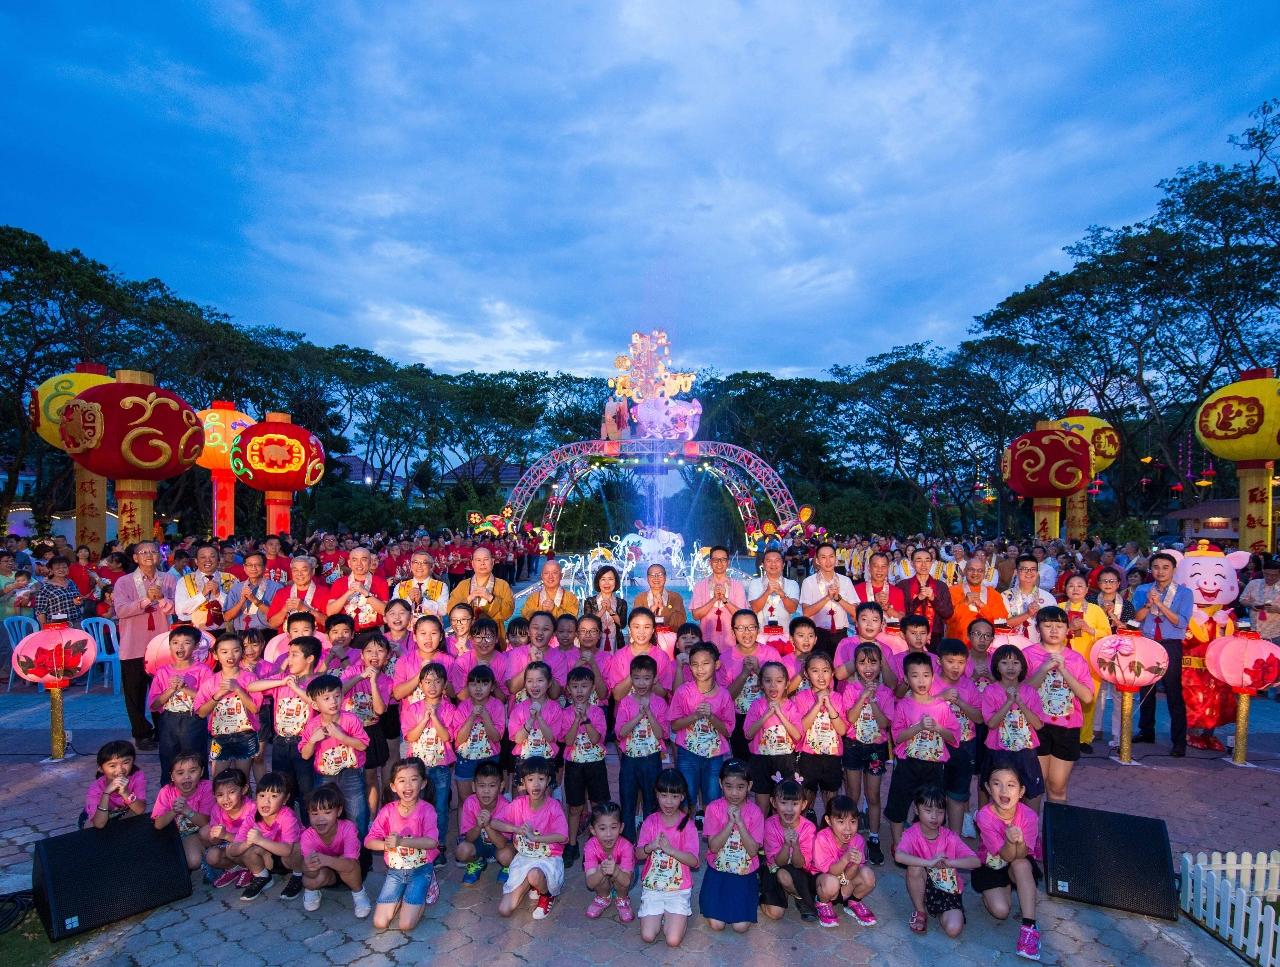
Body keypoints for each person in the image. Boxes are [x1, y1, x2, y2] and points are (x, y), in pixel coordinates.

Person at [887, 652, 958, 855]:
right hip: (908, 764)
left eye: (926, 675)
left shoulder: (941, 707)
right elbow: (897, 737)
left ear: (933, 677)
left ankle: (925, 844)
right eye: (915, 676)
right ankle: (898, 845)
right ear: (907, 680)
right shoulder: (903, 705)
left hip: (934, 765)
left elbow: (953, 736)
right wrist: (917, 727)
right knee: (898, 803)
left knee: (930, 805)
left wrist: (938, 728)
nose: (921, 680)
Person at [973, 765, 1043, 961]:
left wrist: (1018, 841)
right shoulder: (984, 816)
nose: (1004, 791)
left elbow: (1019, 856)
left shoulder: (1029, 816)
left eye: (1011, 785)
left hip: (1016, 861)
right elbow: (1004, 855)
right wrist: (1010, 840)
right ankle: (1001, 889)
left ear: (1021, 792)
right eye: (997, 784)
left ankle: (1029, 927)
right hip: (992, 863)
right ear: (988, 788)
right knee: (1001, 912)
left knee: (1022, 865)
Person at [1024, 607, 1094, 801]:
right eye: (1047, 626)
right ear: (1038, 628)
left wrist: (1064, 671)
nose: (1054, 631)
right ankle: (1031, 830)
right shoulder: (1028, 655)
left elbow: (1087, 697)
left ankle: (1056, 829)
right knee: (1034, 784)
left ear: (1067, 629)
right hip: (1036, 726)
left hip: (1067, 728)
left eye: (1059, 626)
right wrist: (1044, 668)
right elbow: (1022, 692)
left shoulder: (1076, 659)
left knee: (1057, 786)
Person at [895, 784, 979, 938]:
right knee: (914, 867)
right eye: (928, 811)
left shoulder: (950, 837)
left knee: (953, 929)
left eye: (940, 812)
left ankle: (940, 911)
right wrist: (928, 862)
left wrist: (950, 862)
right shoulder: (911, 834)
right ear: (916, 810)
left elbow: (975, 861)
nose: (934, 816)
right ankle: (920, 910)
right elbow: (899, 856)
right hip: (923, 881)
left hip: (947, 887)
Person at [365, 758, 440, 929]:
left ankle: (426, 885)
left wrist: (401, 841)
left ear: (423, 783)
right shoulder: (387, 811)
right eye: (402, 780)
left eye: (414, 779)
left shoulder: (427, 810)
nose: (408, 786)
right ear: (393, 786)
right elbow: (369, 841)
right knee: (379, 922)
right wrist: (386, 845)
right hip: (395, 872)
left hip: (420, 870)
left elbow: (432, 842)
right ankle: (402, 895)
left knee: (406, 925)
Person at [492, 755, 568, 921]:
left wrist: (534, 837)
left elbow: (563, 836)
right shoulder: (519, 804)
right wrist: (515, 829)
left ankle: (547, 894)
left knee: (535, 874)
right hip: (524, 858)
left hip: (548, 859)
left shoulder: (554, 807)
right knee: (505, 910)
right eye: (530, 779)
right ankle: (534, 884)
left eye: (541, 779)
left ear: (548, 781)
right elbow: (494, 822)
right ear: (523, 783)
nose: (536, 784)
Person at [636, 768, 701, 948]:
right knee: (648, 936)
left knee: (672, 940)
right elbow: (638, 854)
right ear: (656, 795)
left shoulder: (687, 825)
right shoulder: (650, 821)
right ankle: (664, 916)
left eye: (674, 796)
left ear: (682, 797)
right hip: (654, 887)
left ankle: (677, 917)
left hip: (678, 889)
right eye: (664, 795)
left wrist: (670, 850)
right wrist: (650, 846)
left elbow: (694, 861)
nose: (669, 801)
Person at [841, 642, 893, 866]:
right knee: (853, 793)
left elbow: (884, 724)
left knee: (872, 795)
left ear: (880, 664)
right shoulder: (850, 689)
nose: (868, 667)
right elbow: (850, 718)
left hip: (876, 748)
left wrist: (872, 701)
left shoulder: (885, 692)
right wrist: (862, 697)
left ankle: (873, 836)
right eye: (862, 662)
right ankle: (849, 836)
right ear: (855, 665)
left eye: (873, 662)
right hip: (853, 745)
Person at [668, 642, 733, 820]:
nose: (700, 669)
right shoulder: (683, 692)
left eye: (705, 663)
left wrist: (711, 717)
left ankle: (712, 838)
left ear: (716, 665)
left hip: (714, 756)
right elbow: (674, 725)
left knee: (712, 799)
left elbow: (728, 731)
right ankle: (685, 835)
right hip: (687, 754)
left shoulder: (724, 695)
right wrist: (695, 716)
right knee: (686, 797)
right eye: (695, 664)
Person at [700, 759, 765, 933]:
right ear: (720, 784)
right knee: (717, 925)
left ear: (749, 786)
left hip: (745, 871)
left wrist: (741, 823)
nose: (734, 793)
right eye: (728, 786)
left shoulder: (755, 812)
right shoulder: (713, 809)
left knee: (741, 927)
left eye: (740, 787)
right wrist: (729, 823)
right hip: (718, 870)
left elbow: (753, 851)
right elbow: (713, 847)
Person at [301, 673, 371, 836]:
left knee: (357, 813)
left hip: (351, 773)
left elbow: (363, 745)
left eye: (337, 696)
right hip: (324, 776)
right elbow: (305, 755)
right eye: (326, 698)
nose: (333, 701)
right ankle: (329, 848)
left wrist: (342, 737)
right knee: (325, 813)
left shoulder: (350, 719)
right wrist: (312, 741)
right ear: (315, 704)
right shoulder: (312, 726)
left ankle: (360, 854)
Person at [400, 662, 456, 864]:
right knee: (417, 804)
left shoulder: (449, 709)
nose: (432, 686)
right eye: (427, 681)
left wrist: (436, 718)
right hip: (417, 767)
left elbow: (447, 736)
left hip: (440, 766)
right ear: (420, 685)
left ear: (444, 685)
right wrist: (425, 719)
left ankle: (439, 845)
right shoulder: (412, 709)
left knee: (440, 806)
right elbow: (410, 737)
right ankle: (418, 843)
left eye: (437, 681)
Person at [980, 644, 1046, 806]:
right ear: (996, 666)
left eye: (1016, 663)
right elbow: (992, 723)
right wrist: (1009, 701)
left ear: (1022, 667)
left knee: (1030, 792)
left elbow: (1038, 725)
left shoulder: (1030, 692)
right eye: (1005, 663)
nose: (1011, 667)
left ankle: (1029, 828)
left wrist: (1020, 703)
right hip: (998, 751)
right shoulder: (991, 691)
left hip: (1025, 751)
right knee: (997, 793)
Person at [616, 654, 670, 843]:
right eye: (637, 678)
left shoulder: (659, 703)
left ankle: (649, 841)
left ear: (655, 679)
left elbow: (662, 734)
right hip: (630, 759)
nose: (641, 683)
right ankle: (628, 841)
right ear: (631, 677)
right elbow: (621, 732)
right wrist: (639, 716)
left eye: (646, 678)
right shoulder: (626, 702)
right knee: (628, 800)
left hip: (652, 759)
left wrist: (649, 713)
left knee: (651, 801)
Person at [147, 625, 212, 781]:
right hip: (169, 721)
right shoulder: (162, 672)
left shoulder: (203, 670)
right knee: (169, 760)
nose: (180, 647)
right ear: (169, 646)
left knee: (195, 759)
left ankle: (200, 796)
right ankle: (169, 796)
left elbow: (209, 701)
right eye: (175, 642)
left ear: (196, 646)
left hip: (194, 720)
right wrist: (170, 689)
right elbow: (154, 705)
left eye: (186, 642)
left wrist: (184, 688)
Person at [227, 771, 304, 901]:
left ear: (285, 799)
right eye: (262, 795)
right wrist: (248, 843)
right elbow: (233, 849)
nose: (266, 801)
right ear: (256, 797)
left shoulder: (287, 816)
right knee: (242, 848)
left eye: (274, 796)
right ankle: (262, 877)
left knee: (297, 847)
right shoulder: (252, 817)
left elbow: (286, 850)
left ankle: (298, 875)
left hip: (290, 858)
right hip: (270, 859)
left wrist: (260, 840)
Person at [719, 610, 784, 759]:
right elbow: (725, 699)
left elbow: (780, 690)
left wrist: (759, 670)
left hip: (768, 716)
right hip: (739, 719)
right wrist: (743, 674)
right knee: (744, 766)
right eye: (740, 628)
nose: (746, 633)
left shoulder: (771, 654)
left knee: (768, 765)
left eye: (751, 627)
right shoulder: (725, 658)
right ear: (733, 631)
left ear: (758, 629)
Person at [300, 783, 371, 916]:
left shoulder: (348, 828)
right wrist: (307, 866)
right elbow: (307, 875)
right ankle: (312, 890)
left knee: (348, 863)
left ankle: (359, 893)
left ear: (338, 811)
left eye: (327, 812)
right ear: (308, 813)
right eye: (314, 813)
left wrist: (326, 860)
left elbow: (351, 863)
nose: (320, 818)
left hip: (351, 869)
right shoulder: (307, 836)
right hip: (327, 872)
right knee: (310, 880)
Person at [562, 665, 609, 867]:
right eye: (575, 686)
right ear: (568, 690)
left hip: (595, 764)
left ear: (592, 688)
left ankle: (596, 845)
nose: (579, 691)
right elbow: (569, 740)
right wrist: (576, 720)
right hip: (574, 764)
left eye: (584, 686)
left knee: (598, 805)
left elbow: (597, 738)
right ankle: (572, 845)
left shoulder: (597, 712)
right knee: (575, 807)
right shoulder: (565, 713)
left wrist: (586, 720)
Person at [195, 633, 261, 778]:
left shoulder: (250, 678)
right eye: (224, 652)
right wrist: (217, 696)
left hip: (245, 735)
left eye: (235, 650)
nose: (230, 655)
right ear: (216, 655)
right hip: (220, 737)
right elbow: (200, 712)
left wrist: (238, 689)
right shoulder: (211, 682)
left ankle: (245, 800)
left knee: (242, 779)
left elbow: (255, 708)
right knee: (218, 779)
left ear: (242, 652)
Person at [935, 638, 983, 833]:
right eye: (950, 661)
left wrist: (961, 702)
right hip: (936, 747)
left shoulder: (969, 686)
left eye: (961, 663)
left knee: (956, 794)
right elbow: (918, 706)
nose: (956, 667)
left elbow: (979, 718)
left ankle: (953, 840)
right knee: (935, 795)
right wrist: (940, 698)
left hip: (963, 746)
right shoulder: (931, 682)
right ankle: (934, 839)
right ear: (939, 661)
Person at [810, 794, 878, 928]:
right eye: (841, 822)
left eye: (853, 822)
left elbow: (850, 875)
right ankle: (822, 903)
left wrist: (856, 864)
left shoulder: (858, 840)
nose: (848, 828)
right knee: (831, 882)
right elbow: (831, 871)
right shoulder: (822, 838)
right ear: (828, 821)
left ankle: (853, 901)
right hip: (825, 880)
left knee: (868, 875)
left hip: (844, 879)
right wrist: (846, 859)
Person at [1061, 574, 1111, 752]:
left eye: (1080, 586)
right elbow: (1047, 631)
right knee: (1062, 699)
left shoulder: (1095, 610)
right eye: (1071, 585)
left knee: (1088, 701)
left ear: (1086, 589)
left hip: (1088, 661)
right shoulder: (1058, 608)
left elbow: (1107, 635)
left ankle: (1084, 738)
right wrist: (1068, 629)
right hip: (1062, 662)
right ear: (1065, 589)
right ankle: (1063, 734)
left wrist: (1088, 629)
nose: (1075, 589)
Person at [743, 661, 801, 815]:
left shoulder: (791, 706)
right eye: (768, 681)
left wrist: (780, 714)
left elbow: (797, 736)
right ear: (761, 684)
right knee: (762, 805)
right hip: (761, 760)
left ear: (787, 684)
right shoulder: (757, 705)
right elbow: (748, 734)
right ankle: (761, 838)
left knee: (783, 804)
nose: (773, 686)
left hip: (785, 760)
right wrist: (766, 715)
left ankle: (780, 837)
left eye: (779, 681)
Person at [792, 653, 848, 813]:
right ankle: (804, 827)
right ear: (806, 674)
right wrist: (817, 704)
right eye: (815, 671)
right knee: (805, 796)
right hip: (808, 755)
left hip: (832, 756)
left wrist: (829, 705)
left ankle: (829, 829)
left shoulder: (837, 698)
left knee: (831, 798)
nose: (821, 676)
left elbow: (842, 730)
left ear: (832, 673)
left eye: (825, 670)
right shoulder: (801, 698)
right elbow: (800, 728)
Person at [759, 778, 819, 922]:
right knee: (775, 914)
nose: (789, 809)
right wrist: (786, 845)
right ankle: (766, 893)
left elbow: (799, 865)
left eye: (795, 804)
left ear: (804, 804)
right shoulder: (769, 825)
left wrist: (796, 845)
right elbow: (778, 863)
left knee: (785, 876)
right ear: (773, 803)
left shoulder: (808, 828)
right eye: (783, 803)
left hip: (799, 870)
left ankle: (800, 898)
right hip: (775, 867)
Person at [151, 752, 214, 874]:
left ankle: (210, 852)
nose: (187, 776)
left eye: (192, 771)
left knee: (204, 837)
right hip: (177, 835)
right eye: (180, 773)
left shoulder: (207, 787)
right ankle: (195, 852)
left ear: (201, 772)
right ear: (172, 777)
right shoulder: (166, 792)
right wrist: (174, 810)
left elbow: (204, 822)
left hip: (199, 833)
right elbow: (158, 825)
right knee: (190, 862)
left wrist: (186, 810)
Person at [451, 665, 506, 806]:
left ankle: (490, 827)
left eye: (484, 684)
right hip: (466, 759)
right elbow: (459, 739)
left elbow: (496, 737)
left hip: (490, 758)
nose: (478, 689)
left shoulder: (497, 706)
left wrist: (485, 717)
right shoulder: (463, 707)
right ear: (467, 687)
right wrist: (471, 717)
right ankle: (466, 828)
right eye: (474, 684)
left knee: (491, 800)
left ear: (492, 687)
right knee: (465, 800)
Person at [456, 761, 514, 886]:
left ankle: (508, 867)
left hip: (499, 846)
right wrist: (478, 826)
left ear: (501, 786)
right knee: (462, 851)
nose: (486, 791)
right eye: (481, 786)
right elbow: (468, 838)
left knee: (507, 856)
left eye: (492, 786)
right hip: (478, 843)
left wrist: (488, 825)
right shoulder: (470, 804)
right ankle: (477, 862)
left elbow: (502, 843)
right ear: (473, 786)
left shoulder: (507, 807)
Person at [799, 543, 859, 657]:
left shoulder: (845, 581)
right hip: (818, 634)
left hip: (840, 634)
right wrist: (827, 598)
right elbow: (806, 613)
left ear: (836, 559)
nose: (828, 561)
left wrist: (838, 598)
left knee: (840, 671)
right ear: (817, 560)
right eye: (823, 557)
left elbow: (855, 612)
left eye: (831, 556)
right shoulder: (809, 582)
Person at [583, 802, 636, 922]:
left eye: (613, 827)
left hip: (624, 876)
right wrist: (601, 871)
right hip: (602, 876)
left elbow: (627, 881)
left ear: (621, 828)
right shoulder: (590, 847)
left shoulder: (626, 846)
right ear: (593, 830)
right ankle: (603, 897)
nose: (608, 834)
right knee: (597, 871)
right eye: (602, 828)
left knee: (622, 876)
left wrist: (616, 871)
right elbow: (590, 884)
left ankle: (622, 898)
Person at [447, 547, 515, 639]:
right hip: (467, 637)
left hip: (494, 637)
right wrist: (469, 598)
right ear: (472, 564)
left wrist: (491, 598)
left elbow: (508, 612)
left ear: (493, 561)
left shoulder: (503, 585)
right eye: (478, 560)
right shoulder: (463, 585)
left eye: (486, 559)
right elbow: (450, 610)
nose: (482, 563)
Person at [203, 767, 253, 888]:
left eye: (231, 792)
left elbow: (251, 840)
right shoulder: (217, 810)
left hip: (250, 847)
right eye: (220, 794)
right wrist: (215, 836)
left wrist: (226, 835)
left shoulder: (252, 808)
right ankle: (234, 869)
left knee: (235, 849)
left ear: (244, 789)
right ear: (214, 795)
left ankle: (252, 870)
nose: (225, 799)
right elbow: (215, 841)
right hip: (230, 847)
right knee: (212, 856)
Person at [690, 546, 748, 650]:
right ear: (709, 562)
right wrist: (714, 599)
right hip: (706, 642)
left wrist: (725, 600)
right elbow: (695, 615)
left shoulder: (737, 586)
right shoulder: (700, 586)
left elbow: (742, 616)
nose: (719, 563)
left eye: (723, 559)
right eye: (715, 560)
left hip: (732, 641)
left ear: (728, 562)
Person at [898, 547, 953, 648]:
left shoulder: (941, 586)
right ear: (912, 563)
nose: (924, 564)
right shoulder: (903, 585)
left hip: (935, 637)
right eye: (919, 560)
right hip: (909, 636)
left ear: (932, 563)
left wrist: (933, 598)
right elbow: (901, 614)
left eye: (927, 560)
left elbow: (948, 613)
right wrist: (918, 599)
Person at [84, 740, 147, 829]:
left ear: (133, 761)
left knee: (135, 816)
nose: (120, 770)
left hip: (123, 813)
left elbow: (140, 810)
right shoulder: (95, 788)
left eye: (126, 762)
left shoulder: (137, 776)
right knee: (90, 829)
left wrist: (125, 792)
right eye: (112, 766)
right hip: (99, 817)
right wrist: (106, 793)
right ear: (101, 769)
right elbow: (99, 824)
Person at [174, 542, 236, 633]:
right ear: (196, 561)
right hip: (195, 631)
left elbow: (236, 607)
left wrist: (219, 594)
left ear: (218, 560)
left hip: (225, 630)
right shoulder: (184, 581)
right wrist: (202, 594)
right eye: (203, 557)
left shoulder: (231, 579)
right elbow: (180, 610)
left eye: (212, 556)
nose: (208, 560)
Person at [327, 547, 390, 633]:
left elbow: (385, 611)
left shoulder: (380, 582)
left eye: (363, 560)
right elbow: (330, 612)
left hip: (372, 632)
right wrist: (348, 593)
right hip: (346, 634)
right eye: (354, 560)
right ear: (349, 563)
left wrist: (365, 592)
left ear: (370, 562)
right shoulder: (339, 582)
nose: (359, 564)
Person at [946, 558, 1009, 641]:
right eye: (971, 569)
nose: (975, 573)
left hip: (985, 646)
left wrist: (982, 606)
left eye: (980, 570)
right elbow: (947, 620)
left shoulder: (994, 594)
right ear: (964, 571)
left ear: (985, 573)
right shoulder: (952, 591)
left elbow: (1001, 622)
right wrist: (965, 603)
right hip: (958, 646)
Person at [224, 551, 282, 633]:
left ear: (265, 567)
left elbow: (278, 616)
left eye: (258, 565)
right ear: (244, 567)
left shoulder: (276, 588)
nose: (253, 568)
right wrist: (241, 602)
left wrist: (255, 600)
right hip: (241, 633)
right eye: (250, 565)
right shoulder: (236, 588)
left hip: (267, 632)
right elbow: (227, 617)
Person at [1002, 555, 1056, 643]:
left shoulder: (1048, 597)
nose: (1029, 572)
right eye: (1024, 569)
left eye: (1033, 569)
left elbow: (1055, 625)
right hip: (1012, 646)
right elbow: (1001, 624)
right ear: (1016, 572)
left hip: (1039, 647)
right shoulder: (1005, 596)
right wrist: (1028, 614)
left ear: (1037, 572)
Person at [266, 556, 330, 630]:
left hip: (315, 639)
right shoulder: (281, 593)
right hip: (288, 639)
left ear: (312, 572)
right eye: (295, 570)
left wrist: (306, 609)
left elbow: (330, 623)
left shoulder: (324, 592)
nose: (299, 574)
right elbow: (272, 624)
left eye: (304, 570)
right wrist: (284, 610)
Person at [747, 549, 800, 637]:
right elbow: (755, 608)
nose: (773, 564)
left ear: (783, 565)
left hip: (785, 635)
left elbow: (793, 609)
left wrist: (782, 595)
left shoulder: (792, 584)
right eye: (769, 561)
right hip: (760, 635)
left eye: (777, 560)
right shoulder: (755, 583)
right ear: (763, 565)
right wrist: (767, 592)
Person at [633, 564, 687, 639]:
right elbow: (636, 623)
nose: (656, 578)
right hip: (646, 641)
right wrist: (651, 610)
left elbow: (680, 624)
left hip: (670, 642)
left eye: (660, 575)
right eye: (652, 575)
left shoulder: (676, 598)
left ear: (665, 577)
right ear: (647, 578)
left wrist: (663, 608)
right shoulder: (640, 598)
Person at [391, 550, 450, 619]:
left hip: (430, 628)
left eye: (424, 563)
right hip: (406, 628)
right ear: (411, 565)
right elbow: (393, 608)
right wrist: (409, 600)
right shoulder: (400, 586)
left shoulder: (441, 586)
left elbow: (443, 611)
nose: (419, 566)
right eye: (415, 562)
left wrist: (422, 601)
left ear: (431, 567)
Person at [582, 565, 628, 651]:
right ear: (598, 582)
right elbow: (588, 623)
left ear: (616, 582)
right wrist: (603, 610)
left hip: (616, 644)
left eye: (610, 579)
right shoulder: (590, 601)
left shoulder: (622, 603)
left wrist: (610, 610)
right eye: (603, 579)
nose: (607, 583)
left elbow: (622, 624)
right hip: (595, 644)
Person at [853, 552, 906, 623]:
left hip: (889, 633)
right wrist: (875, 602)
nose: (880, 570)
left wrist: (886, 607)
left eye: (883, 566)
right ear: (869, 568)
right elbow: (853, 618)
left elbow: (902, 619)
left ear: (888, 568)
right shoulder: (857, 589)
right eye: (875, 566)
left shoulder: (897, 591)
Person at [32, 555, 83, 627]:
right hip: (57, 625)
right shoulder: (46, 588)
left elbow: (78, 598)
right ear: (51, 570)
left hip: (76, 622)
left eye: (64, 567)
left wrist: (79, 601)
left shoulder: (71, 582)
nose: (61, 570)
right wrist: (44, 628)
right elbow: (40, 611)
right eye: (57, 568)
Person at [1240, 554, 1280, 644]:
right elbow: (1242, 599)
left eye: (1274, 575)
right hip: (1255, 632)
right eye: (1267, 574)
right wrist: (1251, 605)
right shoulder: (1254, 584)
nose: (1270, 577)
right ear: (1263, 571)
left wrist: (1278, 610)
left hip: (1276, 635)